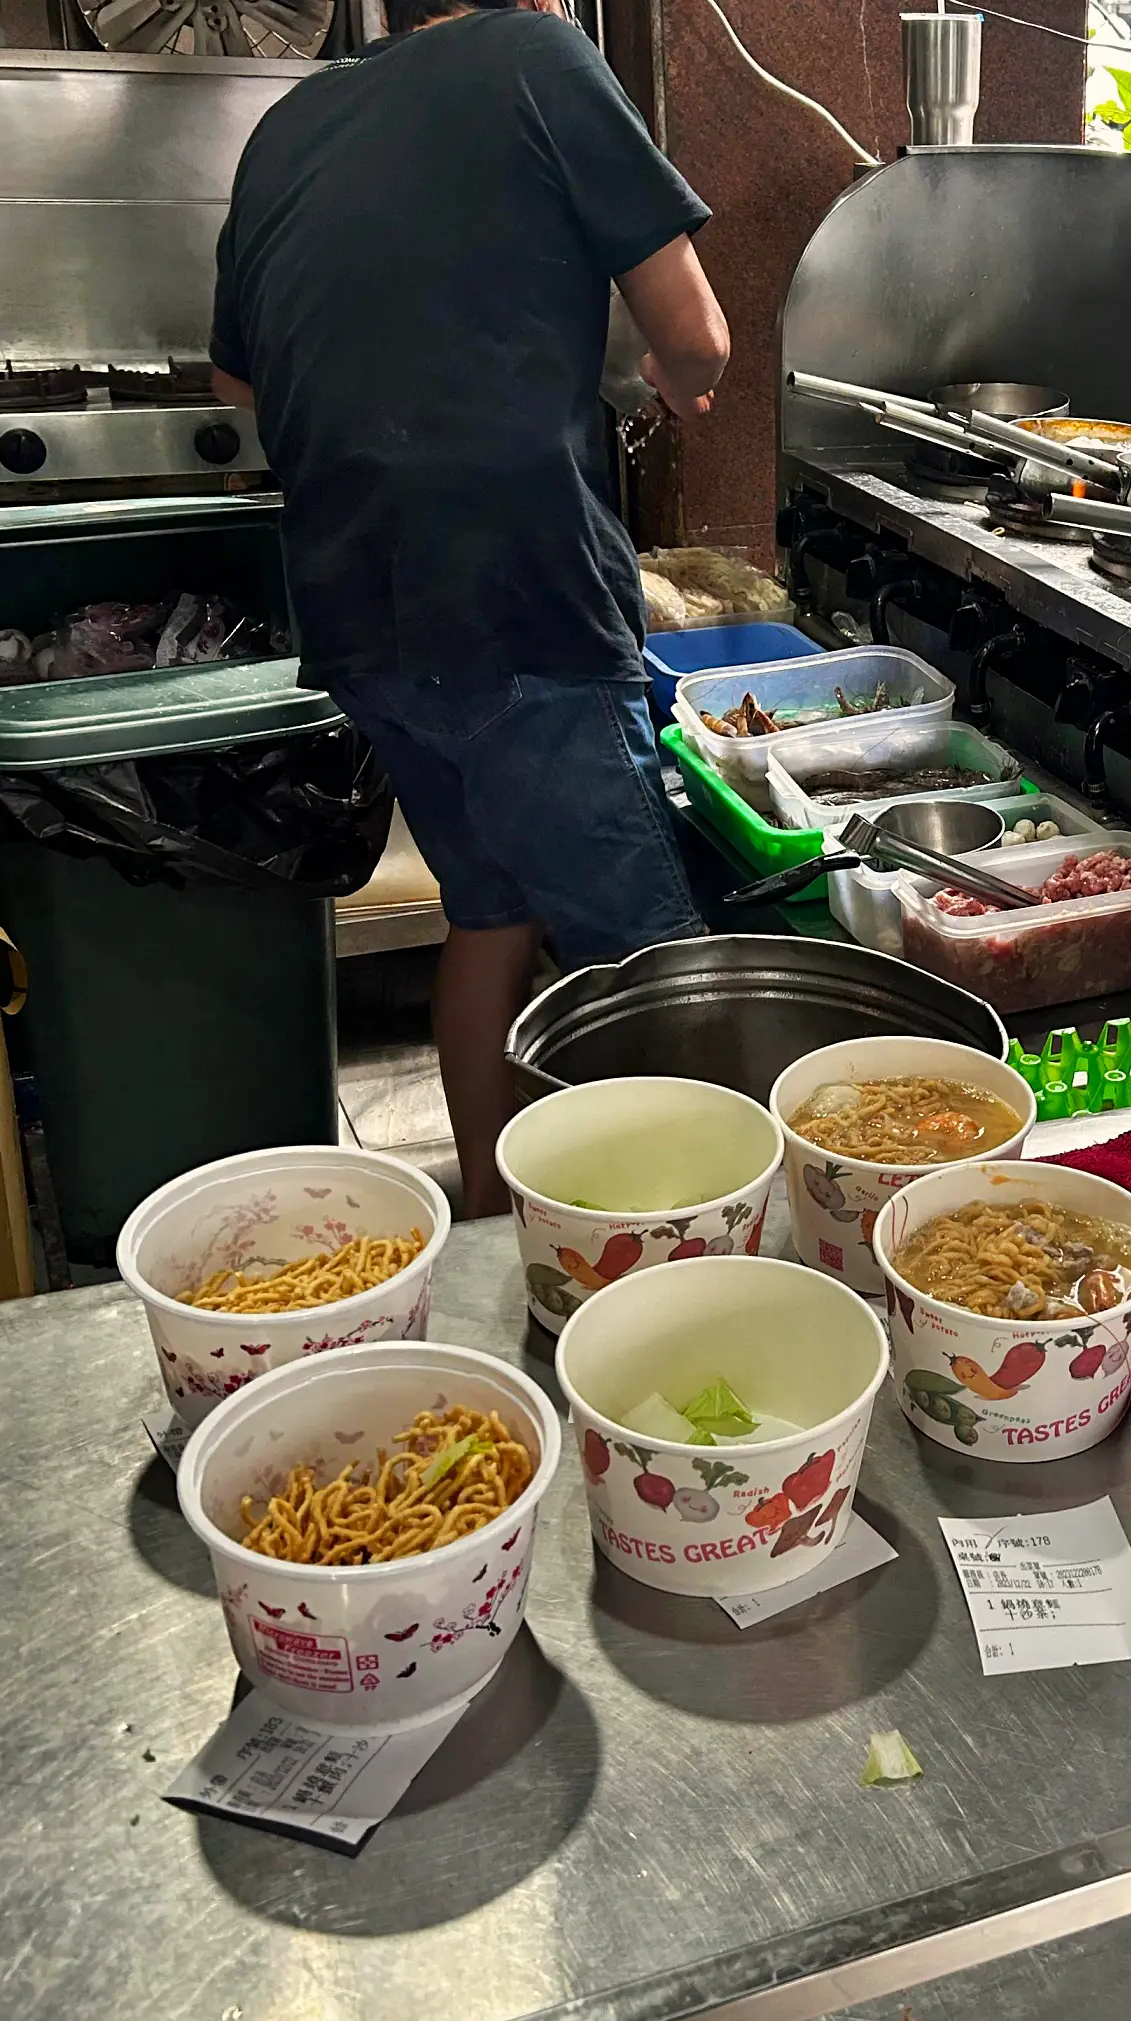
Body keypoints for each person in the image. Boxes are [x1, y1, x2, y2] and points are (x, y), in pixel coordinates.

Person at [210, 0, 728, 1218]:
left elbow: (235, 379)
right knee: (647, 962)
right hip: (517, 591)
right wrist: (674, 379)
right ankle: (689, 1241)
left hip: (358, 612)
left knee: (488, 916)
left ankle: (496, 1226)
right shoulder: (537, 54)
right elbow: (697, 331)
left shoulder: (293, 119)